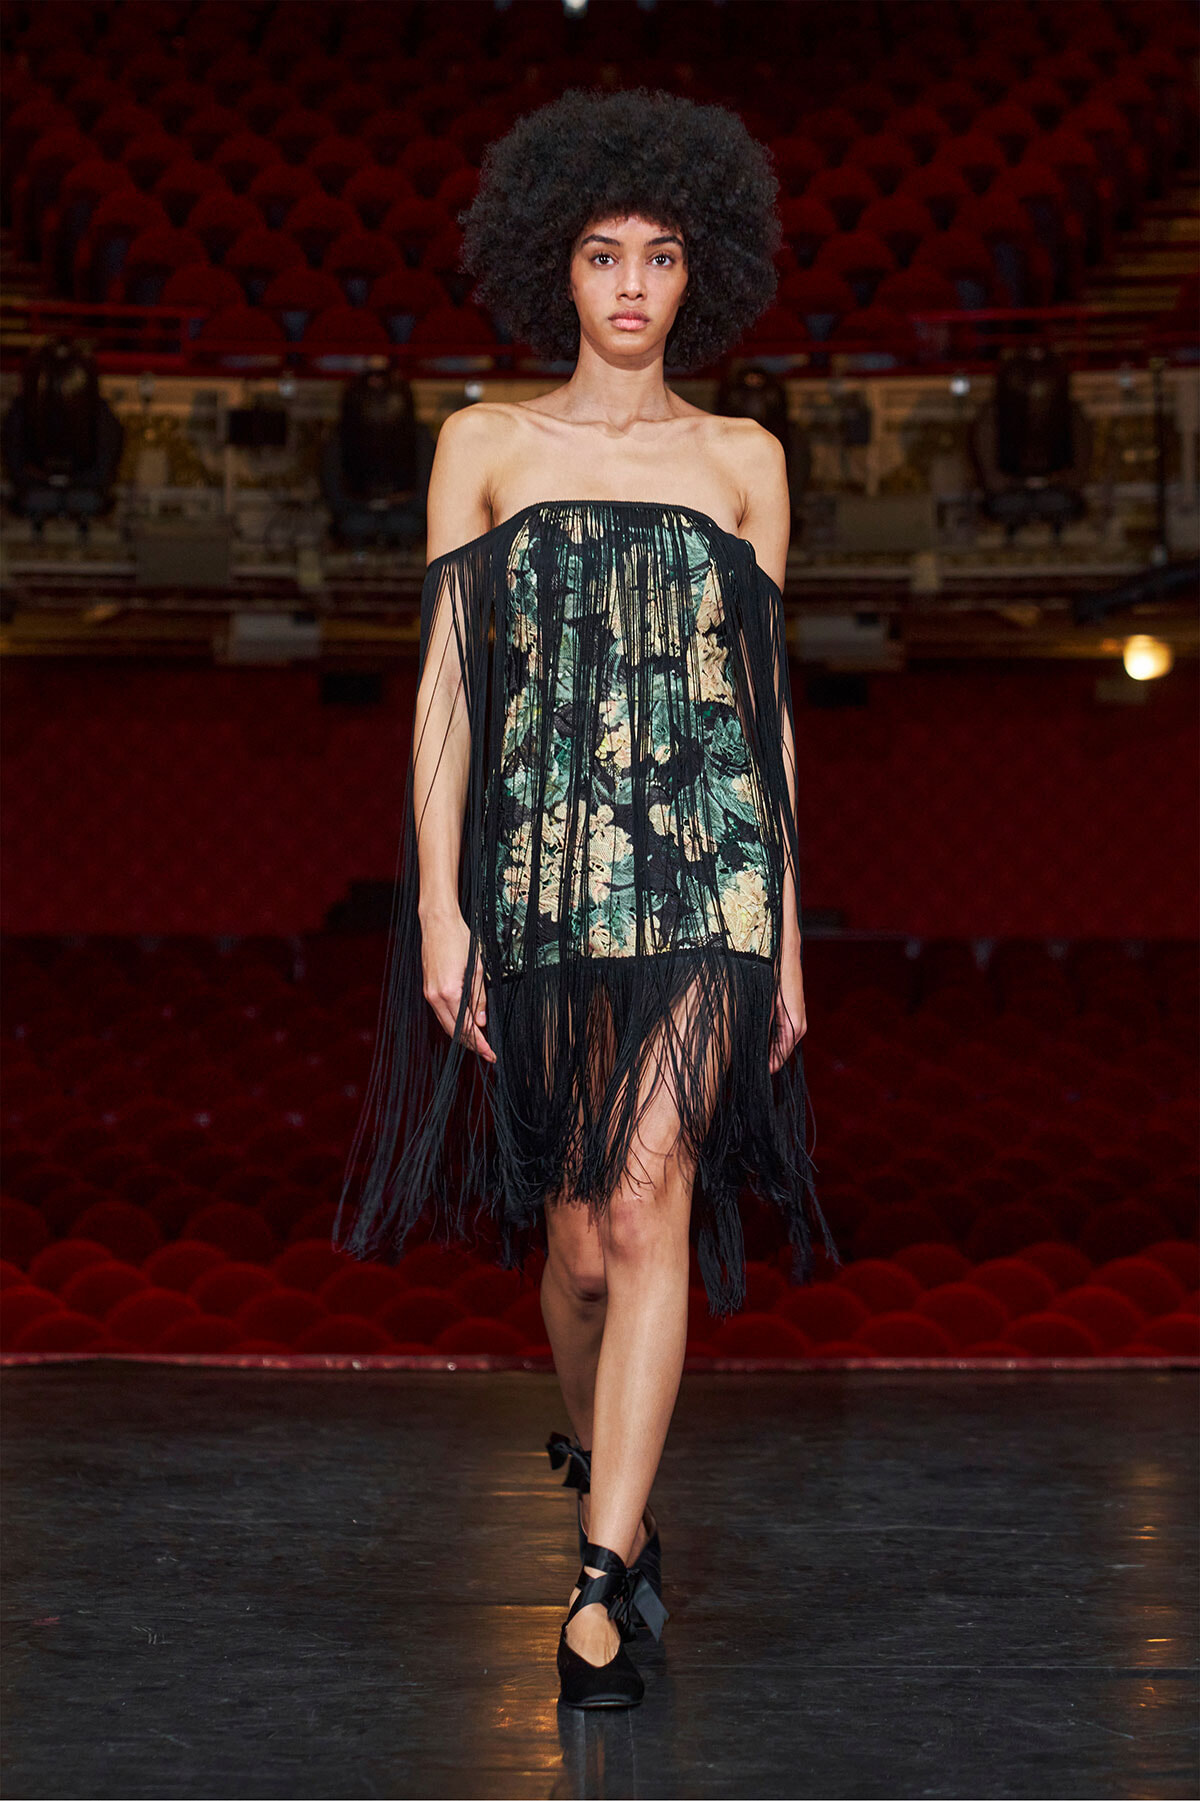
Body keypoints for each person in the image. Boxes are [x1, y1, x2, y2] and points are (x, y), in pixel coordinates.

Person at [332, 86, 834, 1710]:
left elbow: (766, 717)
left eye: (664, 253)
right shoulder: (482, 445)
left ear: (704, 274)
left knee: (653, 1199)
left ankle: (600, 1580)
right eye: (606, 253)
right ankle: (616, 1480)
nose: (633, 283)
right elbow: (445, 699)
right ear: (561, 269)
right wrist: (437, 914)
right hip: (540, 874)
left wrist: (792, 934)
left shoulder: (747, 459)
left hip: (708, 872)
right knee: (582, 1250)